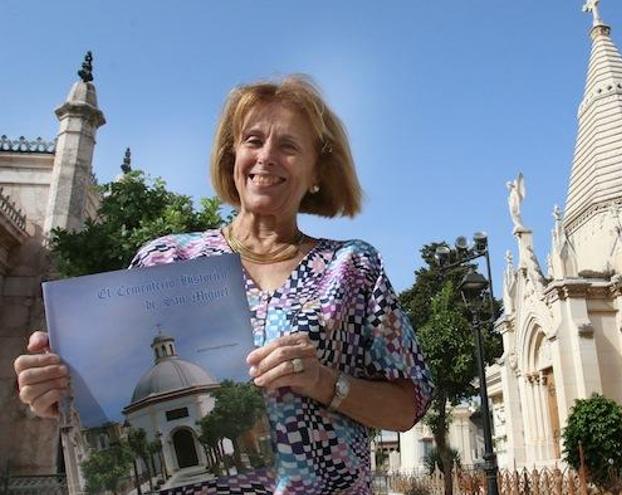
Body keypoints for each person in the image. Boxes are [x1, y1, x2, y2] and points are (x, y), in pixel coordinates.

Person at [13, 75, 434, 494]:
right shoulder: (165, 260)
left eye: (288, 146)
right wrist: (58, 392)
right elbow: (101, 397)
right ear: (232, 157)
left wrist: (324, 381)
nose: (266, 157)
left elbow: (406, 406)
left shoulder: (351, 267)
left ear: (317, 172)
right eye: (253, 140)